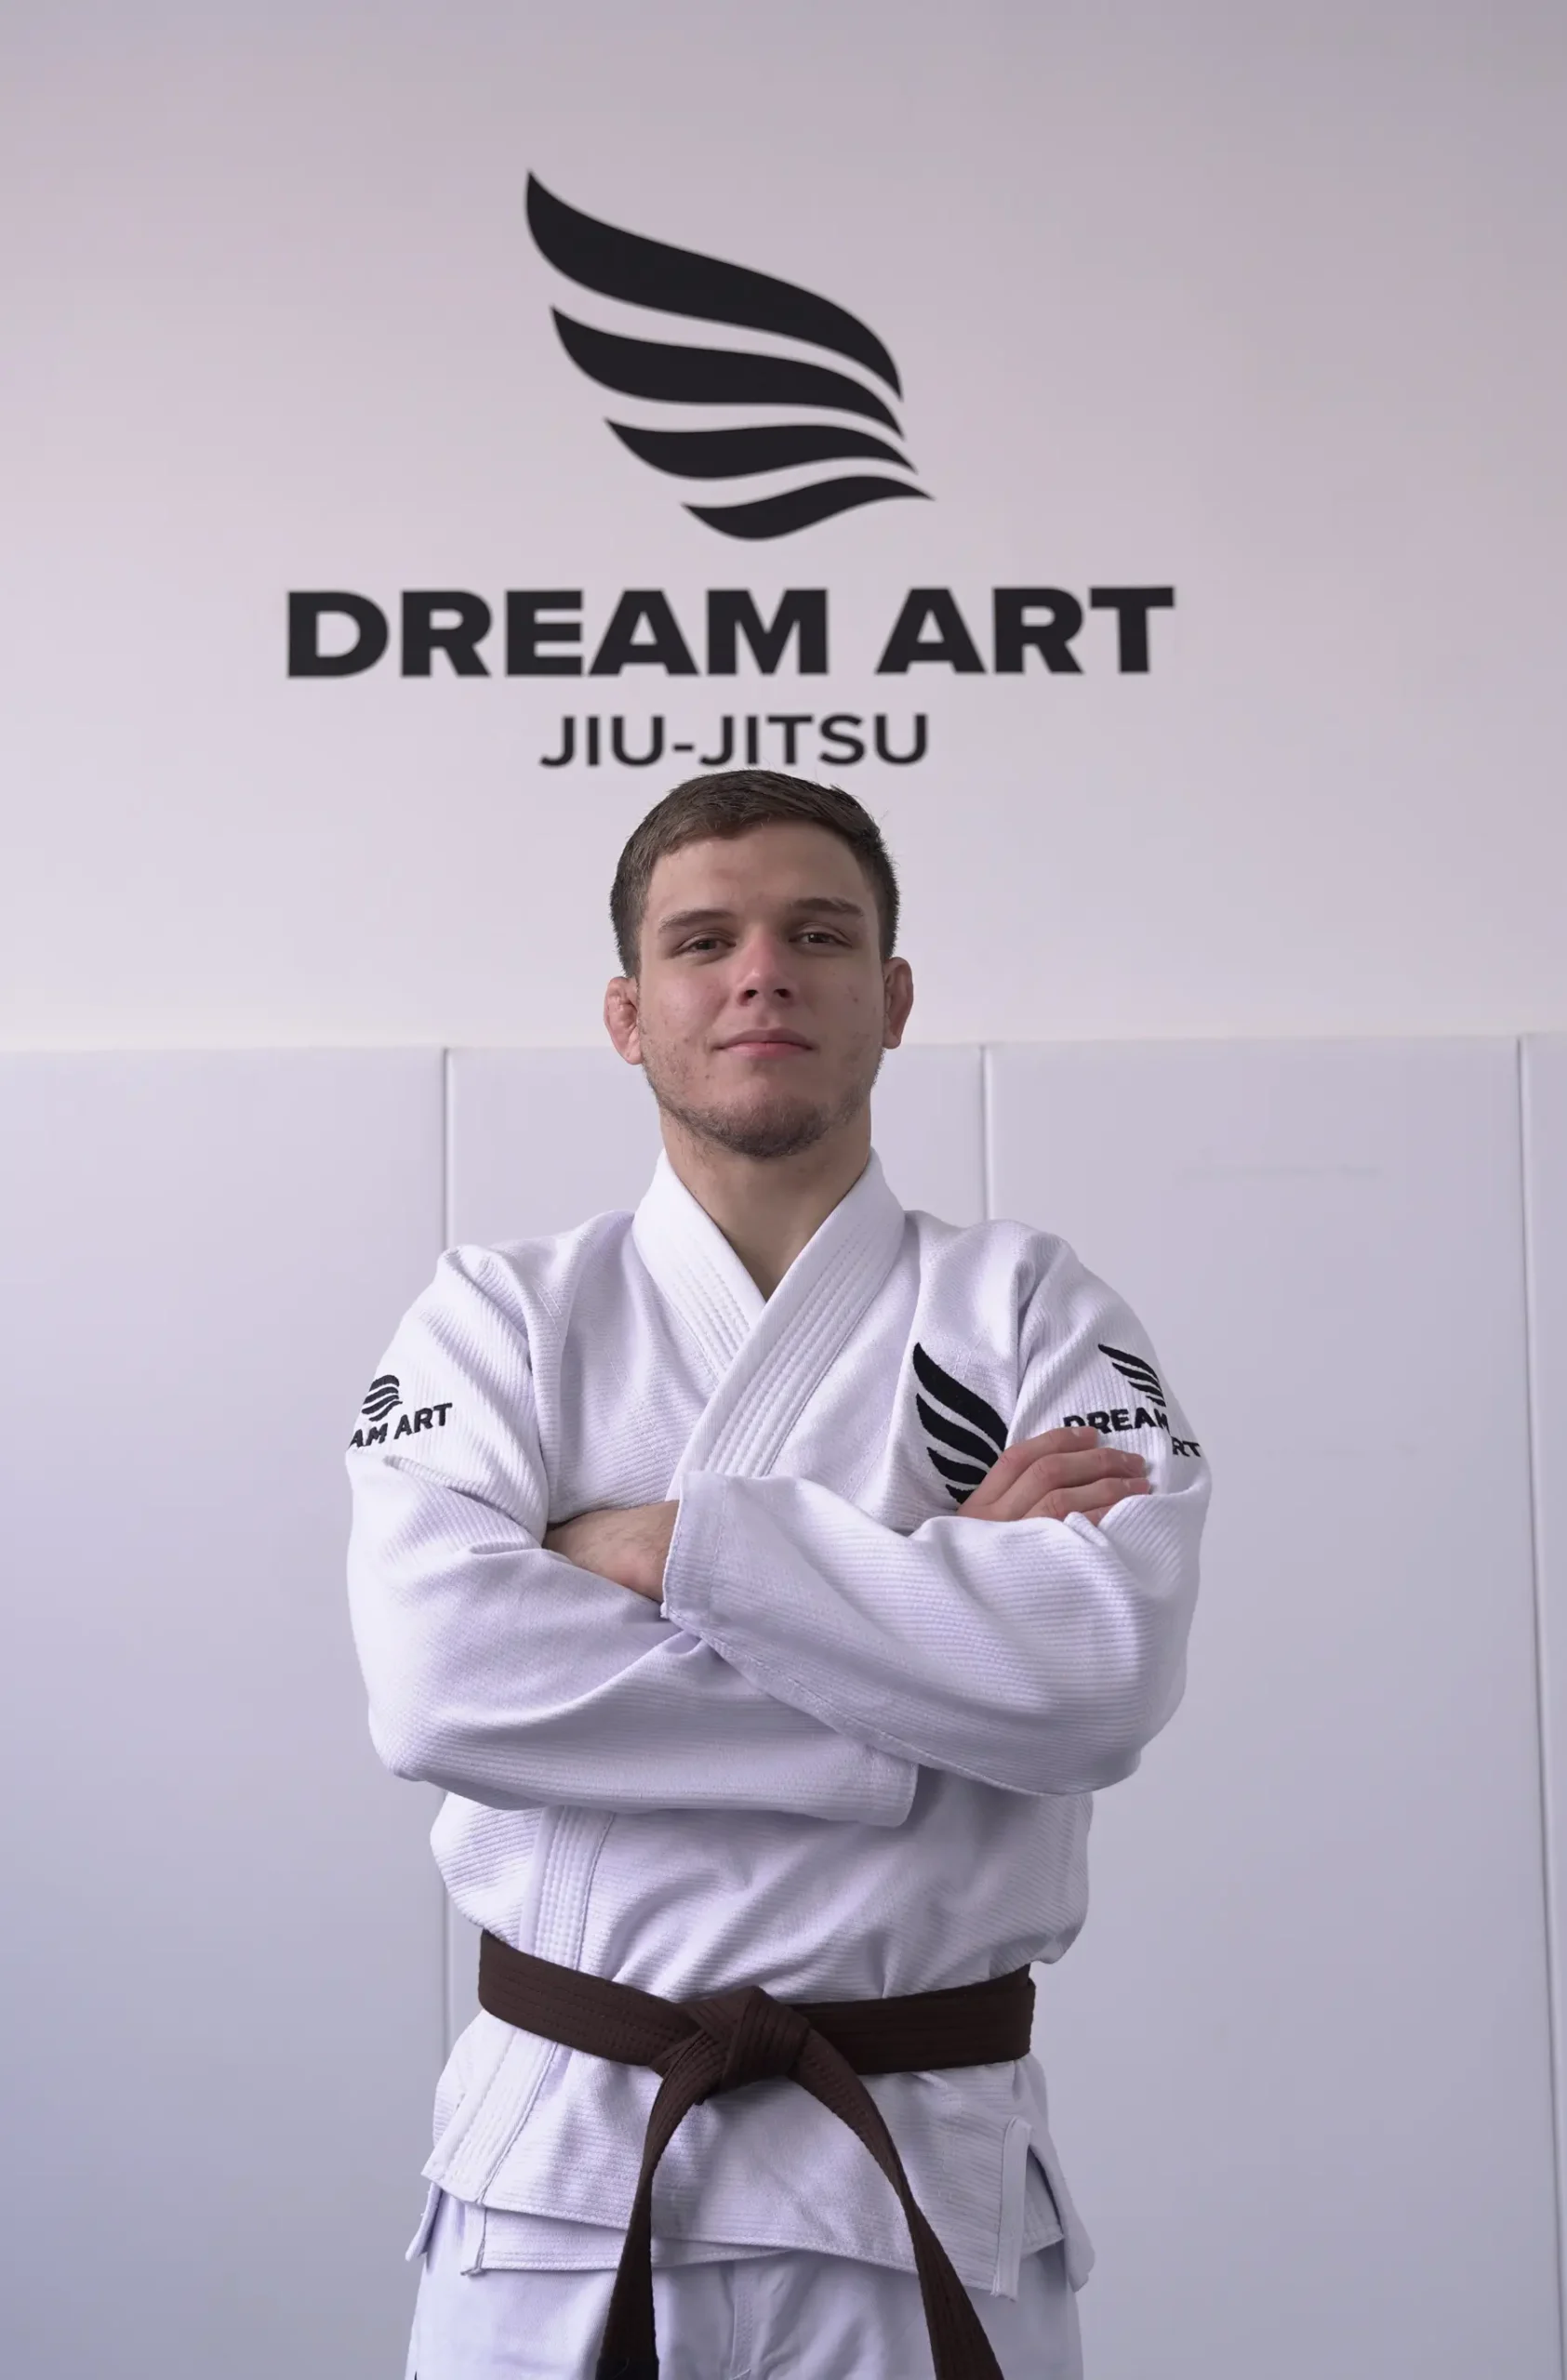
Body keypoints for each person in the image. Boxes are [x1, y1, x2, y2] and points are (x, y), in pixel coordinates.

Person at [345, 769, 1209, 2380]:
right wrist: (935, 1650)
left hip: (922, 2172)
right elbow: (443, 1687)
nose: (763, 974)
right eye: (704, 941)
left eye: (819, 935)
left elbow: (1094, 1678)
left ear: (892, 998)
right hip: (561, 2176)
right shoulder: (499, 1319)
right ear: (628, 1013)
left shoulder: (1035, 1312)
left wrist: (670, 1546)